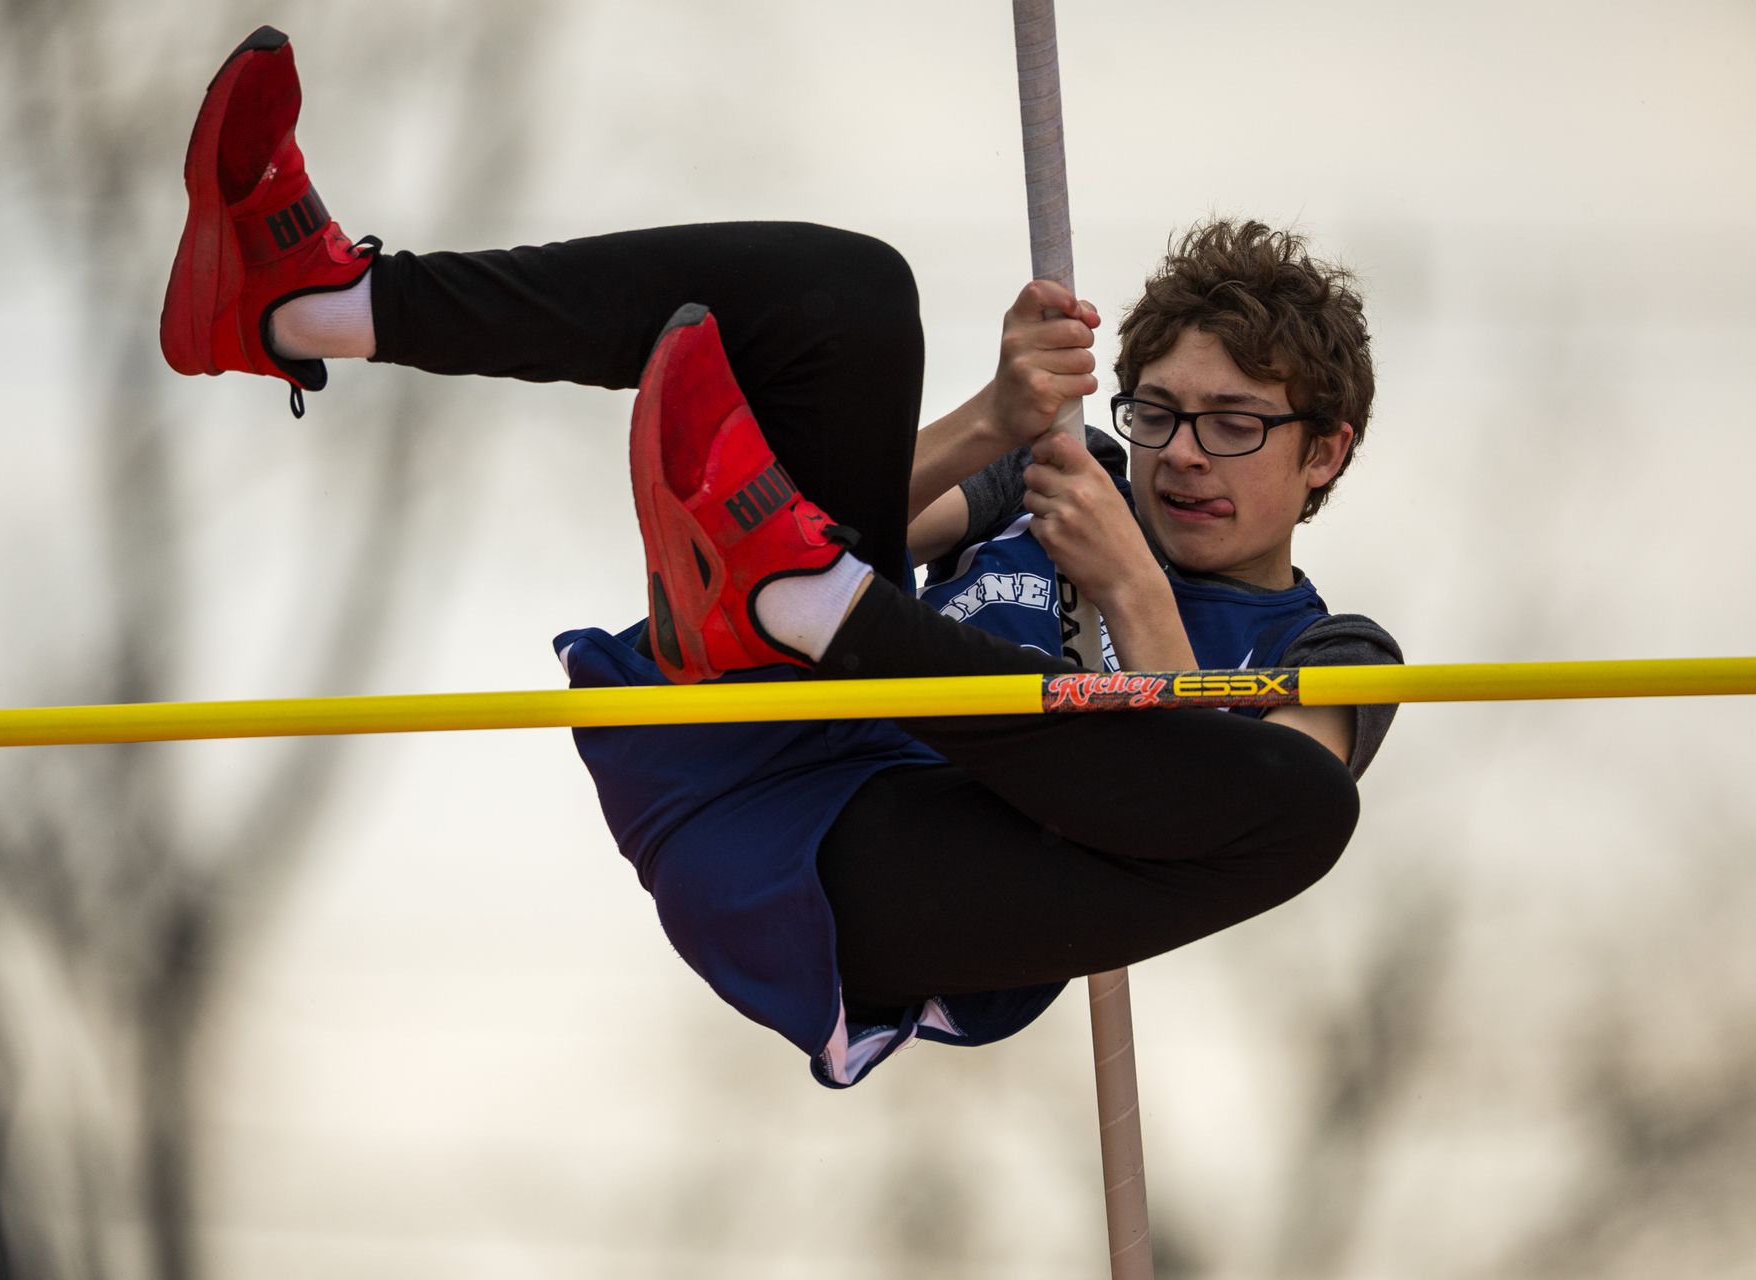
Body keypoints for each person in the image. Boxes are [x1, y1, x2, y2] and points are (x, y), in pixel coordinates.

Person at [162, 27, 1400, 1087]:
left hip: (881, 874)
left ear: (1326, 450)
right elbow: (852, 506)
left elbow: (1220, 808)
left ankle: (816, 605)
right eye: (1160, 414)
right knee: (845, 293)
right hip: (762, 706)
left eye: (1235, 424)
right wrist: (992, 421)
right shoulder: (1068, 475)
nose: (1183, 454)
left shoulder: (1332, 654)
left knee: (1300, 808)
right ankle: (303, 303)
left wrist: (1131, 586)